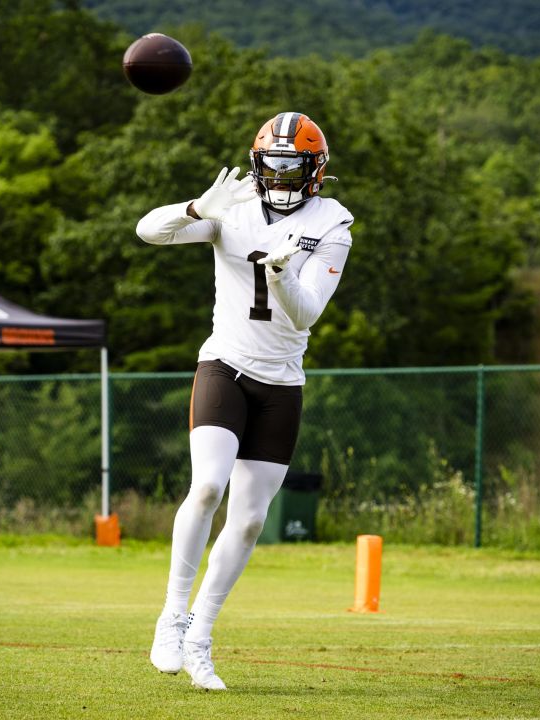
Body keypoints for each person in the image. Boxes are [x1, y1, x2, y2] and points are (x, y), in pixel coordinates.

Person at [135, 112, 354, 691]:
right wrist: (194, 210)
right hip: (225, 365)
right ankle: (172, 617)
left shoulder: (332, 222)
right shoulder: (230, 206)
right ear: (258, 164)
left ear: (316, 169)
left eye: (293, 165)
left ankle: (201, 638)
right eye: (273, 164)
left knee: (251, 520)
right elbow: (145, 232)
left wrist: (282, 273)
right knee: (207, 486)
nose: (281, 176)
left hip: (281, 382)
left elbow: (307, 311)